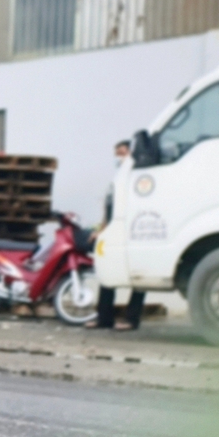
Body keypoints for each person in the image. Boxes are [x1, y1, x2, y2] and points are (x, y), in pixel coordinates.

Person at [93, 140, 145, 330]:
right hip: (113, 230)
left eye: (121, 153)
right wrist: (101, 229)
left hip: (133, 230)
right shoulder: (118, 177)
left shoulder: (137, 174)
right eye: (117, 154)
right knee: (106, 271)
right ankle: (104, 318)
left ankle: (132, 319)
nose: (118, 157)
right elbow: (108, 206)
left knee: (139, 277)